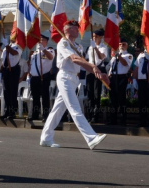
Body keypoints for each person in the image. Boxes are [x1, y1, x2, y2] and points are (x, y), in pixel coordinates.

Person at [40, 20, 109, 150]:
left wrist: (97, 72)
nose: (78, 30)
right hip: (65, 77)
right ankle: (91, 138)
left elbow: (82, 63)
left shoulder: (78, 46)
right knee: (75, 108)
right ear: (67, 30)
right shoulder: (63, 43)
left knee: (57, 110)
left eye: (77, 28)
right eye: (75, 28)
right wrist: (93, 66)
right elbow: (74, 59)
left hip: (74, 79)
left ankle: (46, 138)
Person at [29, 33, 55, 122]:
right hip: (34, 77)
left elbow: (50, 57)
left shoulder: (50, 50)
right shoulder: (35, 53)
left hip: (44, 76)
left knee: (45, 96)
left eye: (42, 40)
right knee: (35, 97)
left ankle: (45, 114)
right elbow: (31, 64)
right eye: (39, 40)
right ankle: (35, 114)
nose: (40, 42)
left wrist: (43, 49)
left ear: (46, 41)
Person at [108, 38, 132, 125]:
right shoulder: (114, 56)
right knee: (112, 99)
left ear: (127, 45)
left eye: (124, 44)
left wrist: (118, 56)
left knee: (121, 99)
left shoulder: (128, 55)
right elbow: (111, 67)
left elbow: (125, 64)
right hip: (113, 77)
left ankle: (123, 119)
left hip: (122, 77)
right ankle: (112, 119)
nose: (122, 46)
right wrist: (109, 75)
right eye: (120, 44)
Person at [85, 28, 107, 123]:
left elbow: (102, 57)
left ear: (100, 37)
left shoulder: (103, 47)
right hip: (90, 70)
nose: (94, 38)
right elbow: (87, 58)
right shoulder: (90, 47)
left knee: (96, 93)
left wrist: (95, 48)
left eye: (96, 37)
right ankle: (89, 114)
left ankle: (95, 115)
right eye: (93, 36)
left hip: (98, 69)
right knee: (90, 94)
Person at [1, 37, 22, 121]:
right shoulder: (6, 47)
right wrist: (1, 72)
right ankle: (7, 111)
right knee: (6, 92)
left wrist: (6, 45)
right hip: (6, 70)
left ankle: (12, 112)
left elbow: (14, 53)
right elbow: (3, 60)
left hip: (13, 70)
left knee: (13, 91)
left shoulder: (18, 46)